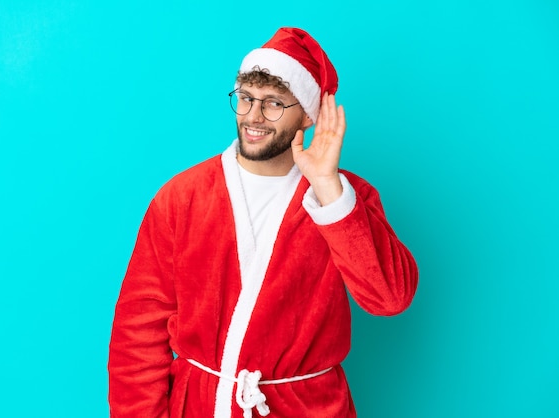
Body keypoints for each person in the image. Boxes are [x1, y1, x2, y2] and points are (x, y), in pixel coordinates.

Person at [108, 27, 418, 418]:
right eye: (246, 99)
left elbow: (391, 298)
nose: (253, 115)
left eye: (273, 103)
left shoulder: (343, 198)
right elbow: (137, 335)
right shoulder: (182, 197)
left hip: (309, 408)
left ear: (308, 115)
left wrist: (327, 185)